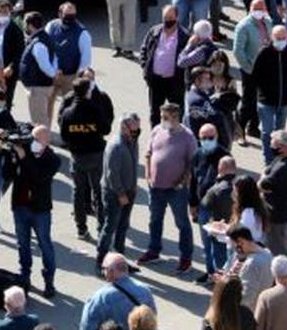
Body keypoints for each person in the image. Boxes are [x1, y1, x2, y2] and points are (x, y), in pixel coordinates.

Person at [138, 103, 196, 272]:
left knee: (182, 223)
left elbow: (192, 163)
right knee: (154, 220)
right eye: (162, 117)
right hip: (155, 187)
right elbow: (148, 154)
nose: (162, 121)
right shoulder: (157, 130)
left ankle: (186, 258)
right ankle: (153, 251)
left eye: (165, 118)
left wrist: (183, 180)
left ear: (176, 118)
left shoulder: (187, 137)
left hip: (176, 189)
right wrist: (148, 174)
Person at [59, 75, 113, 240]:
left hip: (77, 156)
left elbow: (64, 136)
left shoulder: (67, 113)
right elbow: (106, 130)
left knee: (78, 192)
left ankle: (81, 228)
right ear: (88, 91)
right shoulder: (95, 110)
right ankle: (102, 226)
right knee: (99, 191)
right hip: (96, 155)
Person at [11, 124, 60, 297]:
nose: (34, 143)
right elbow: (11, 170)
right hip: (20, 206)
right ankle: (25, 277)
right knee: (22, 244)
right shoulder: (24, 149)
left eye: (38, 140)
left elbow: (38, 177)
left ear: (47, 142)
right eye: (33, 139)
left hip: (40, 210)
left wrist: (24, 158)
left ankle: (49, 281)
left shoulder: (53, 159)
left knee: (45, 244)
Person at [253, 26, 287, 164]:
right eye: (278, 38)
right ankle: (269, 160)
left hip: (285, 101)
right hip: (266, 101)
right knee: (267, 132)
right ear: (272, 38)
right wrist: (263, 92)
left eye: (283, 38)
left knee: (280, 133)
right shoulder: (264, 53)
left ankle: (279, 157)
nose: (281, 41)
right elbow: (256, 75)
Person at [79, 253, 157, 330]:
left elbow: (87, 327)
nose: (103, 272)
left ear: (110, 271)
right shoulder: (144, 290)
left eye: (104, 268)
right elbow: (152, 315)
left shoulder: (100, 297)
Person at [97, 113, 141, 265]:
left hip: (129, 190)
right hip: (115, 193)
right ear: (124, 128)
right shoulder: (116, 146)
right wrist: (121, 194)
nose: (137, 132)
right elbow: (112, 174)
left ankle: (119, 260)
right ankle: (101, 261)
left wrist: (133, 187)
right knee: (110, 227)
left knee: (123, 225)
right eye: (134, 129)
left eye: (138, 128)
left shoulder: (133, 141)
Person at [231, 0, 271, 144]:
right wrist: (249, 69)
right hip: (250, 70)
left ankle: (253, 127)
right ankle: (239, 131)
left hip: (265, 70)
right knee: (248, 101)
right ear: (250, 9)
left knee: (259, 100)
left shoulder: (267, 22)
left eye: (262, 8)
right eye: (256, 8)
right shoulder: (244, 26)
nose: (259, 11)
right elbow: (237, 51)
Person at [141, 5, 188, 127]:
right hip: (156, 80)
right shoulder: (154, 31)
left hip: (175, 81)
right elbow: (144, 49)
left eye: (170, 17)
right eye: (165, 17)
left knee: (176, 113)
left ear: (177, 18)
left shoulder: (184, 36)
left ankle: (177, 138)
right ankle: (156, 140)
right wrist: (145, 66)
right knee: (155, 112)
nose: (167, 20)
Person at [192, 144, 233, 280]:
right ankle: (216, 275)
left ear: (221, 168)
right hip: (227, 225)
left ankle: (216, 278)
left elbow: (207, 205)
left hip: (216, 224)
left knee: (215, 252)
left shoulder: (218, 189)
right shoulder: (237, 185)